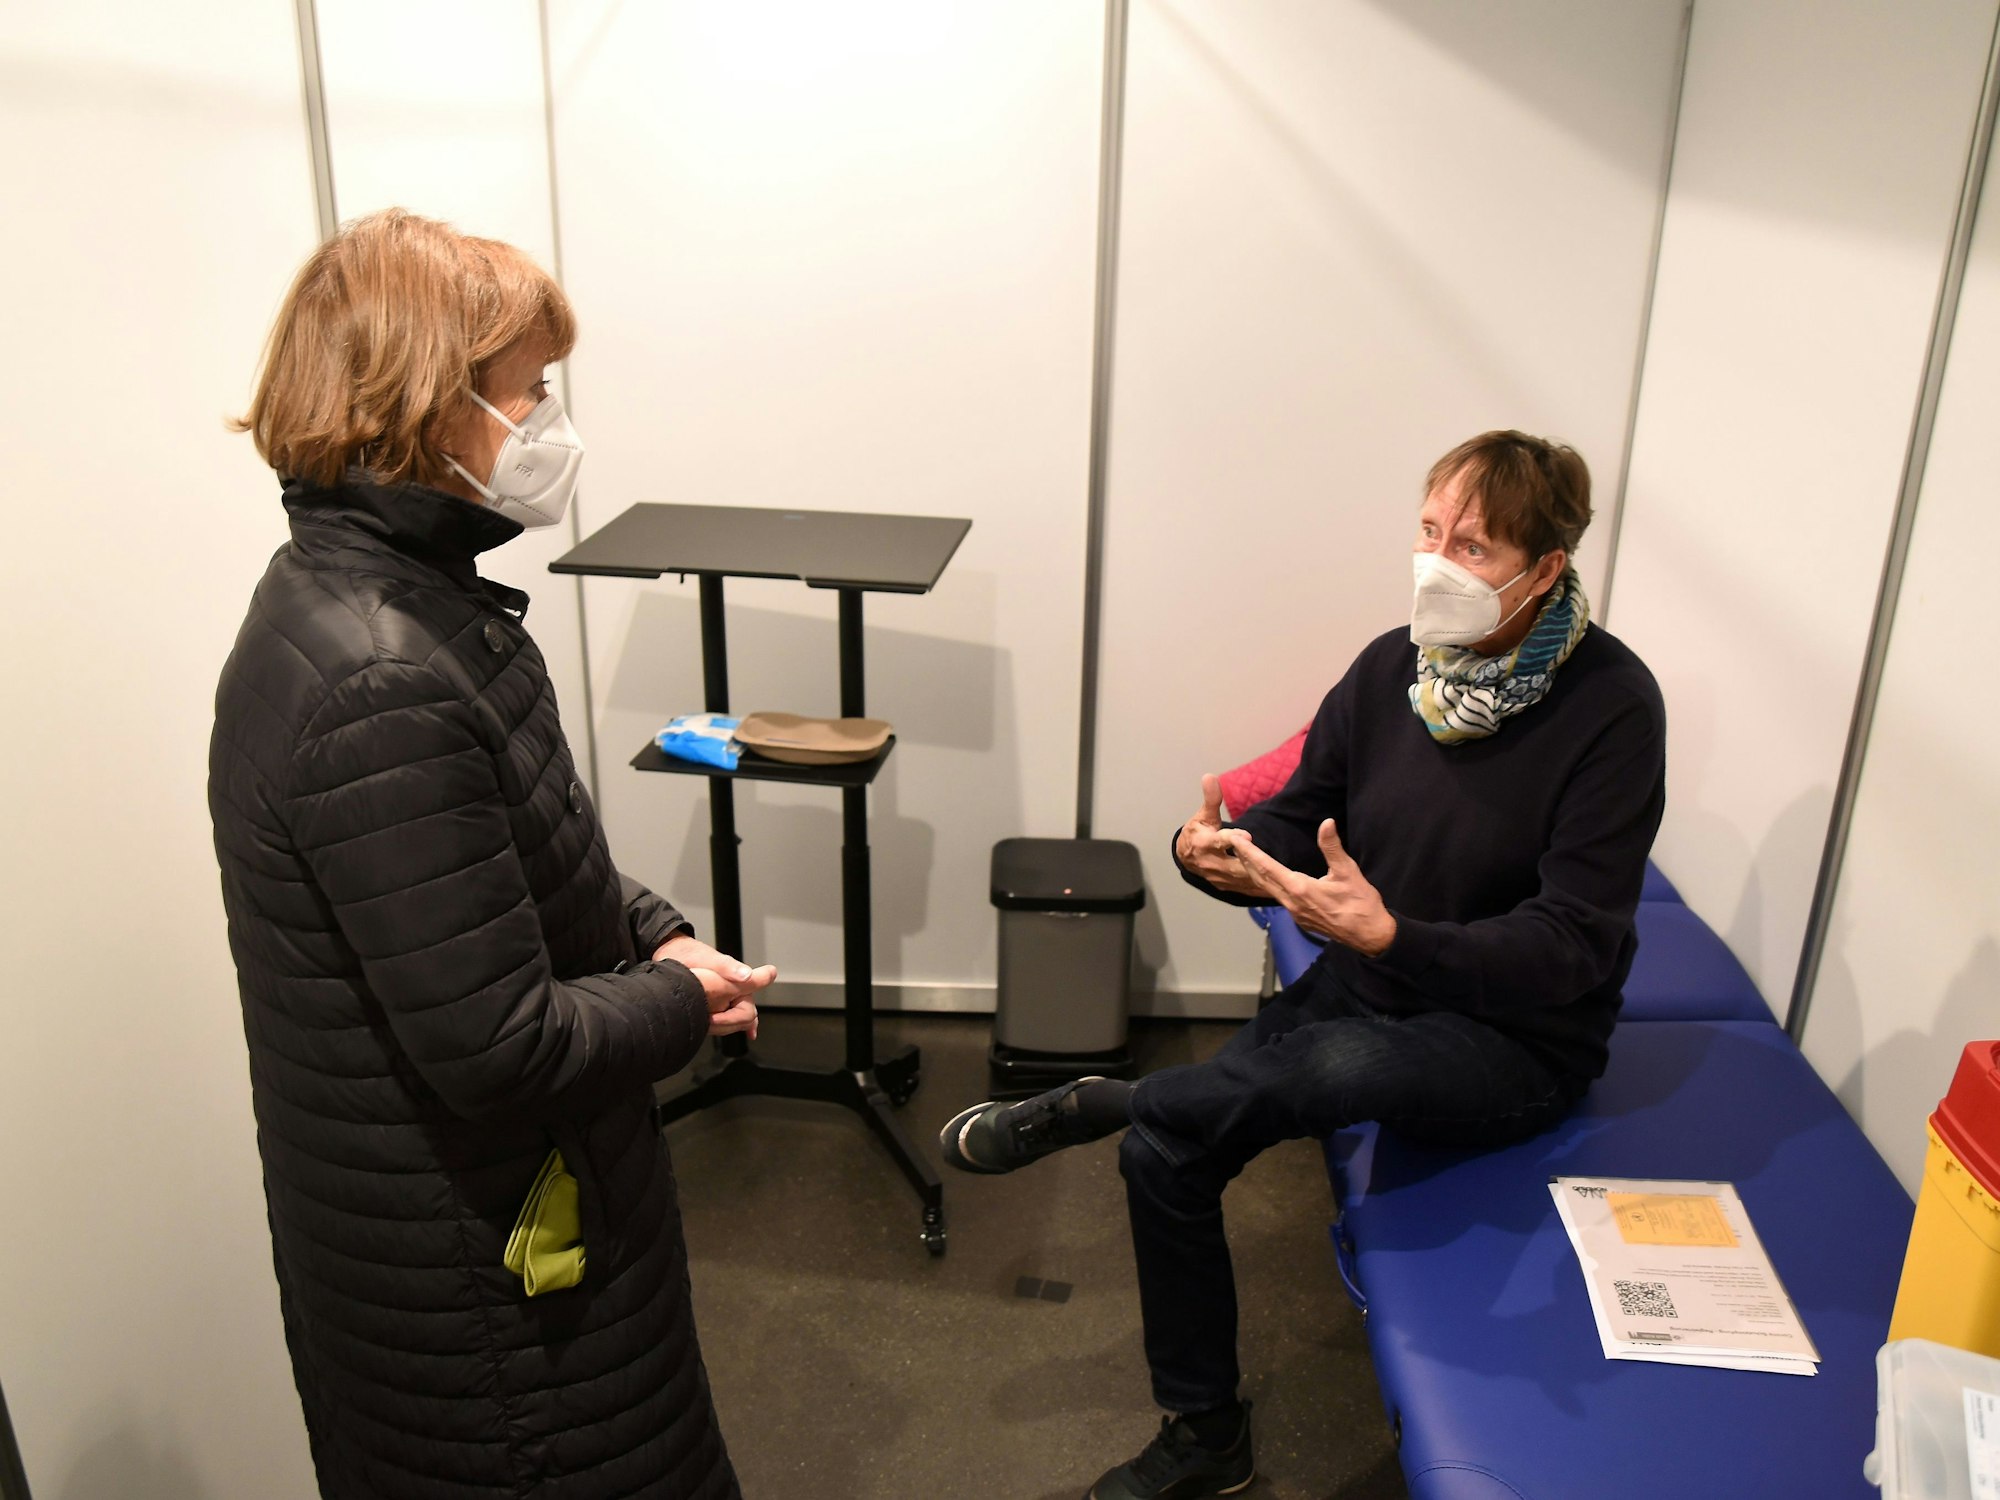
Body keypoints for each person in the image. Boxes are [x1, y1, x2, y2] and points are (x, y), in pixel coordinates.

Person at [941, 431, 1666, 1500]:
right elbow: (1298, 810)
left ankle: (1108, 1099)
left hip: (1512, 1038)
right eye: (1428, 531)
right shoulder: (1393, 669)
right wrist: (1220, 855)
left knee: (1320, 1076)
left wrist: (1396, 937)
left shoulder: (1611, 708)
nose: (1435, 562)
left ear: (1543, 569)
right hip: (1371, 985)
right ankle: (1205, 1433)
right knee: (1165, 1157)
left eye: (1470, 545)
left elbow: (1574, 942)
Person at [209, 209, 774, 1499]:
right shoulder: (378, 675)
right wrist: (681, 1003)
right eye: (526, 392)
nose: (547, 424)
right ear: (422, 405)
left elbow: (513, 846)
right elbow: (499, 1044)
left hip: (498, 1239)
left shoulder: (395, 607)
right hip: (486, 1299)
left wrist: (647, 932)